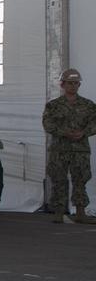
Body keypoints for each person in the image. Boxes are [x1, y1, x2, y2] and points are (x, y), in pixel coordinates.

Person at [42, 68, 96, 223]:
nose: (73, 86)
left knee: (80, 180)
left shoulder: (88, 105)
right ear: (62, 84)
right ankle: (58, 213)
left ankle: (80, 213)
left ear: (79, 85)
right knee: (58, 180)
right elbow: (47, 124)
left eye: (76, 83)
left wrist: (84, 132)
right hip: (59, 149)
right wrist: (64, 132)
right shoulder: (53, 106)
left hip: (80, 150)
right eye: (69, 83)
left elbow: (94, 122)